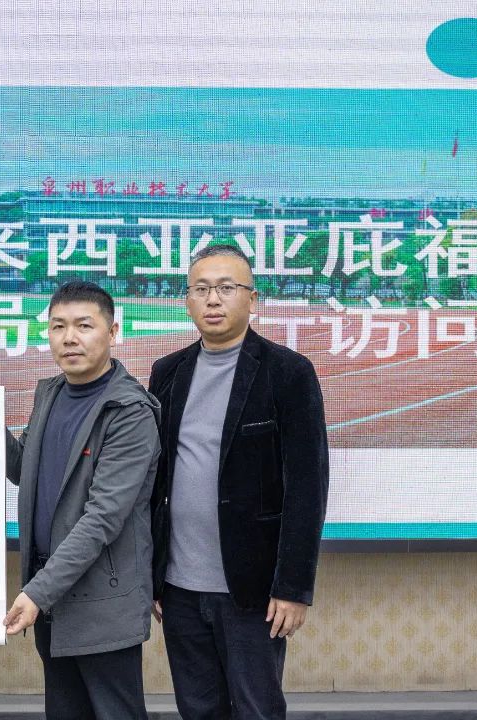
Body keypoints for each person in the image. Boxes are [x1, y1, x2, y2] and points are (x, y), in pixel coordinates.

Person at [148, 244, 329, 720]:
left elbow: (308, 488)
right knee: (198, 709)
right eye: (201, 289)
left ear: (252, 300)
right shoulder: (167, 373)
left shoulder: (288, 373)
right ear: (187, 301)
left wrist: (293, 587)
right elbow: (156, 481)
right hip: (179, 589)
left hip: (254, 590)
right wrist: (152, 576)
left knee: (256, 710)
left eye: (226, 288)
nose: (213, 299)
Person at [3, 280, 160, 720]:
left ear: (112, 332)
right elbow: (24, 470)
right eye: (58, 326)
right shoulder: (50, 393)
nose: (69, 337)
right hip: (50, 594)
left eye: (84, 325)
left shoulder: (129, 411)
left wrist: (37, 593)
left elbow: (102, 518)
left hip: (101, 604)